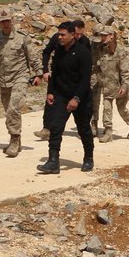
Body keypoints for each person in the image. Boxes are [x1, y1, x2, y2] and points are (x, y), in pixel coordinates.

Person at [39, 21, 94, 174]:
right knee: (55, 127)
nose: (60, 37)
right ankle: (53, 161)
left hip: (81, 97)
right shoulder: (59, 50)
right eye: (59, 34)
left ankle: (88, 158)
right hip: (61, 95)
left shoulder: (83, 53)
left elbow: (85, 79)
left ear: (72, 35)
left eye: (63, 35)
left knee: (83, 129)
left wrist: (76, 98)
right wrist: (50, 92)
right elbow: (55, 73)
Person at [0, 10, 40, 158]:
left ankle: (14, 139)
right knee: (8, 111)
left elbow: (32, 56)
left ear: (12, 20)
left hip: (20, 77)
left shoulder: (22, 37)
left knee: (13, 109)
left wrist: (39, 73)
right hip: (4, 80)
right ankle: (15, 138)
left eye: (7, 20)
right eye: (2, 21)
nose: (5, 24)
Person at [90, 25, 129, 142]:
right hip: (107, 85)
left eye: (105, 35)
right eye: (102, 35)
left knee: (122, 109)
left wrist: (124, 86)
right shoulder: (100, 49)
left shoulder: (119, 50)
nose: (102, 38)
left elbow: (125, 71)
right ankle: (108, 131)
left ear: (111, 36)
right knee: (107, 107)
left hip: (119, 85)